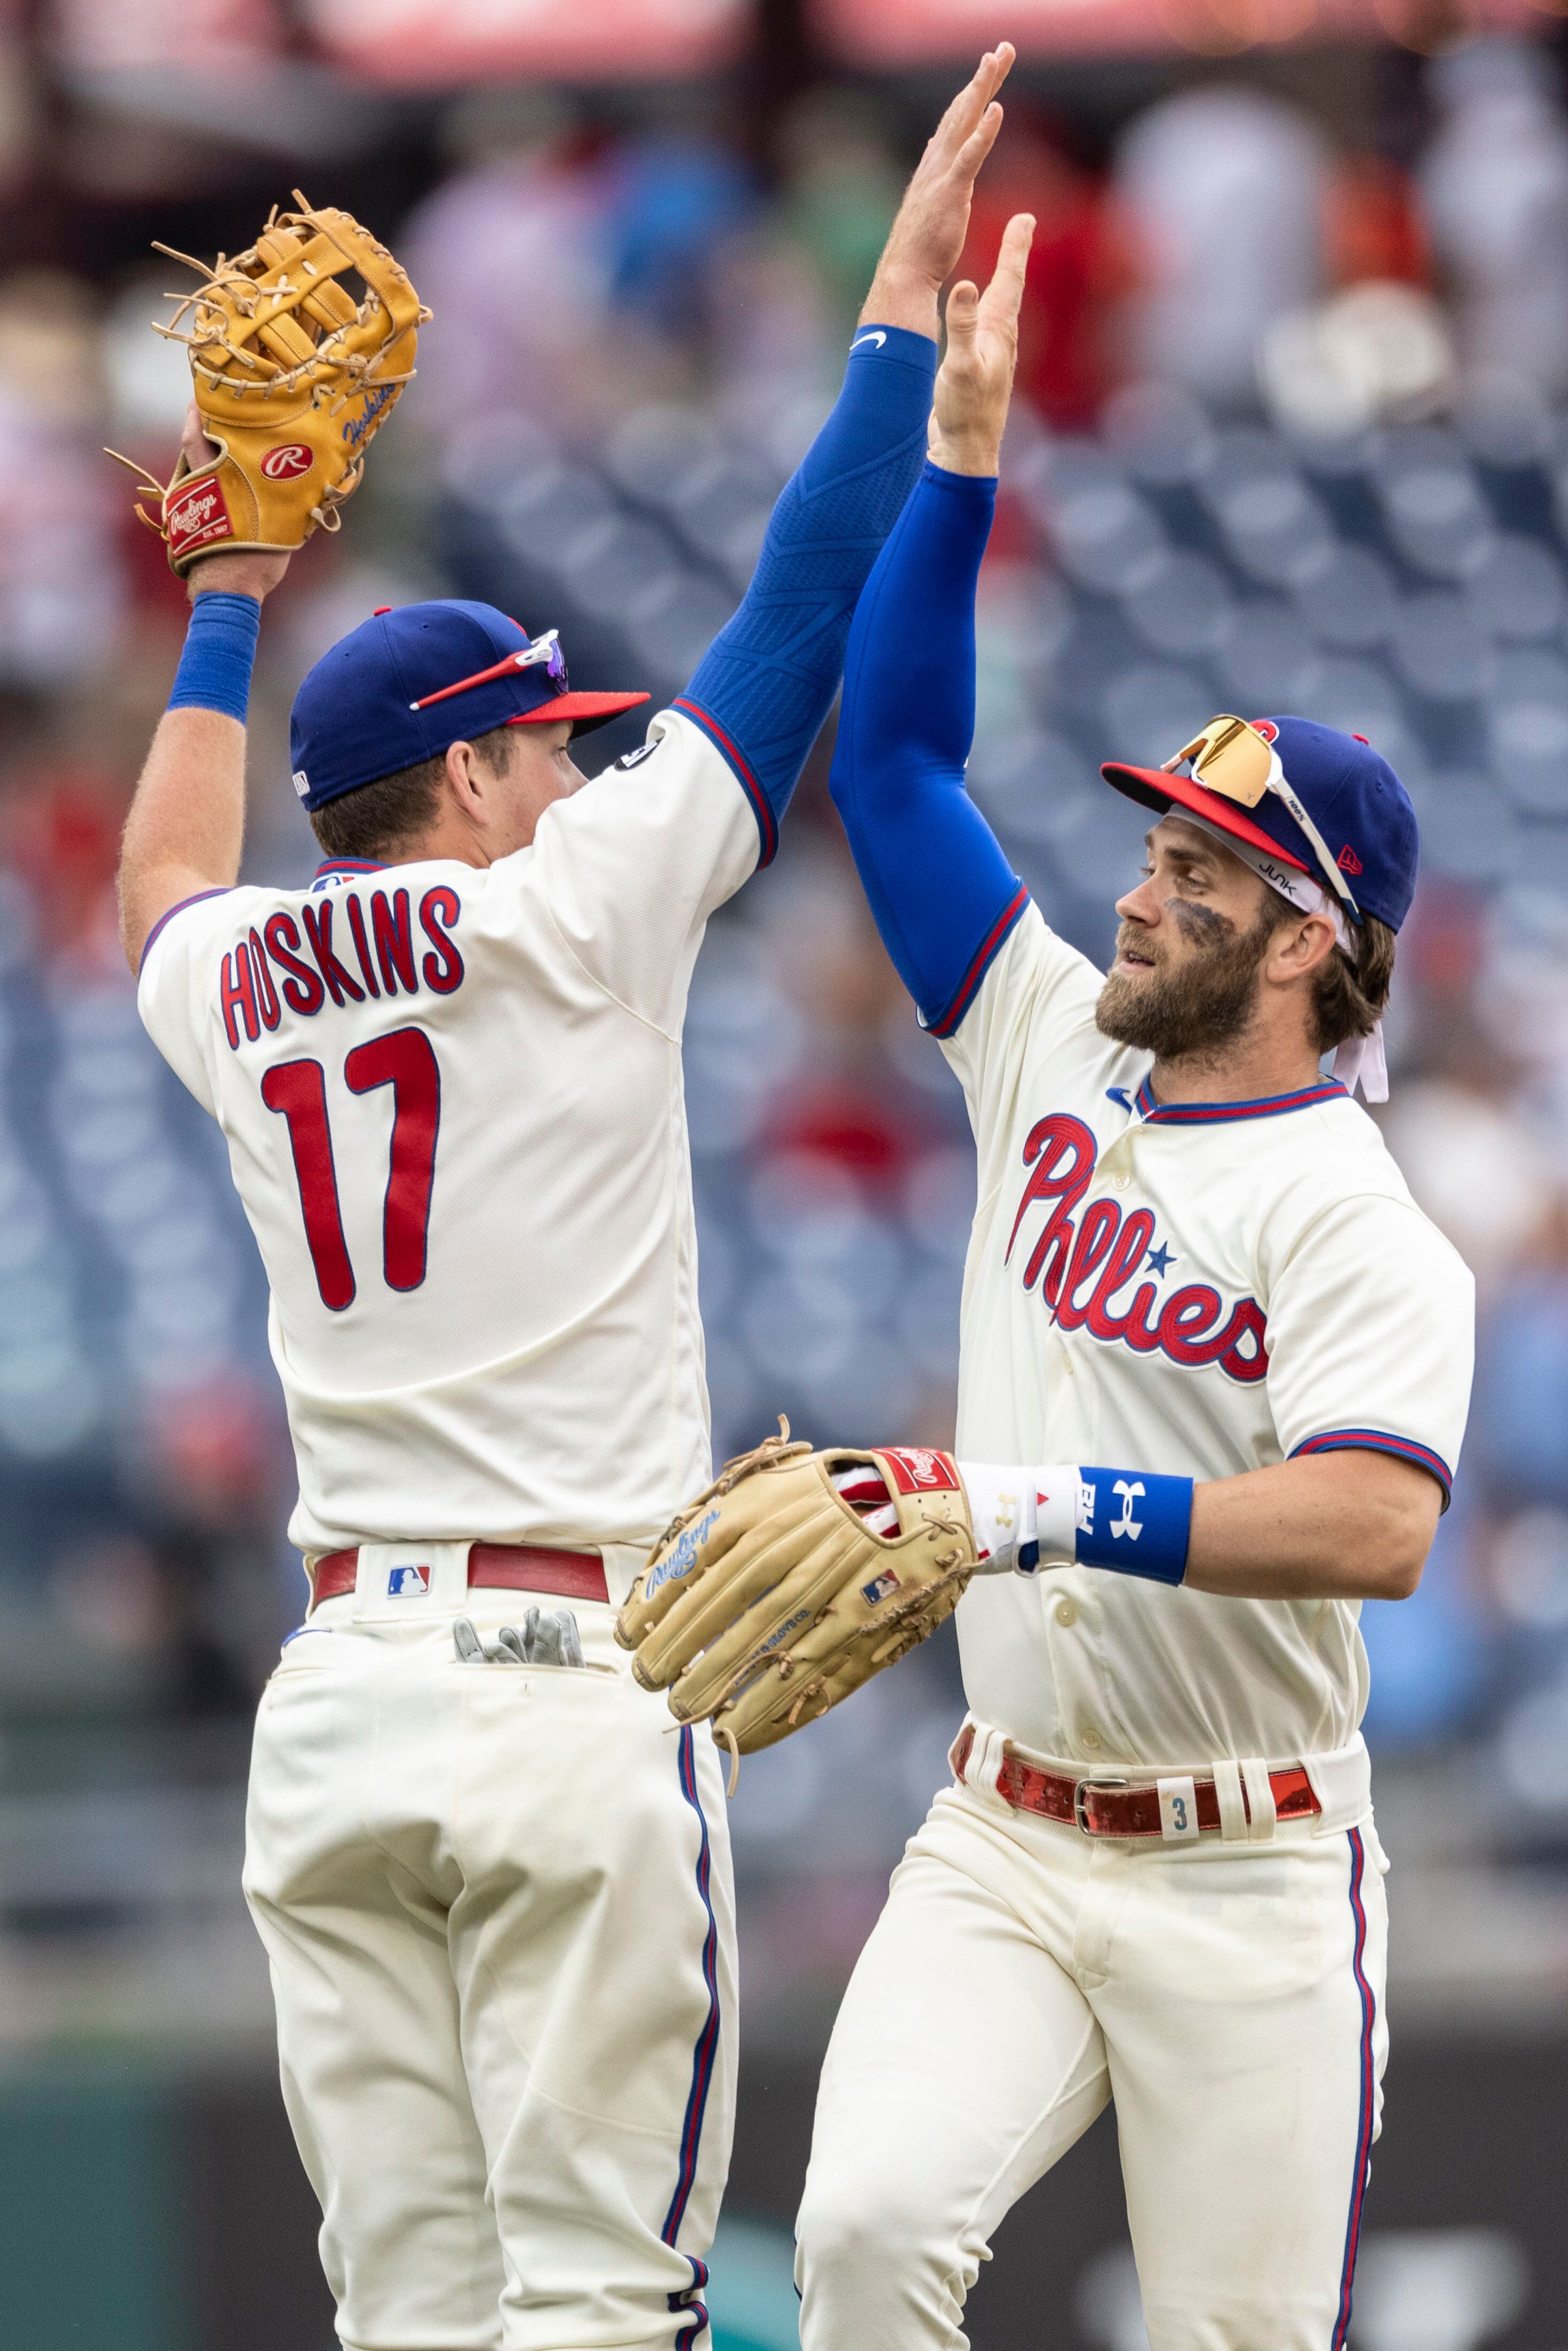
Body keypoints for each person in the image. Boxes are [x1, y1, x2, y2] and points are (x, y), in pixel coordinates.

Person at [113, 49, 1016, 2351]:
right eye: (555, 742)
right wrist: (894, 326)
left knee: (407, 2316)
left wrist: (224, 587)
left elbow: (155, 875)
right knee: (602, 2310)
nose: (591, 766)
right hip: (565, 1680)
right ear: (486, 771)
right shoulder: (571, 907)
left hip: (332, 1704)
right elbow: (794, 624)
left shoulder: (234, 973)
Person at [791, 210, 1476, 2348]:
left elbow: (1372, 1521)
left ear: (1305, 941)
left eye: (1199, 869)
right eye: (1156, 846)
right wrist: (959, 458)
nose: (1142, 884)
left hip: (1252, 1872)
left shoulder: (1353, 1213)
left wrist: (1028, 1507)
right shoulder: (1045, 1039)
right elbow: (890, 762)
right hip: (1003, 1827)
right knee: (864, 2230)